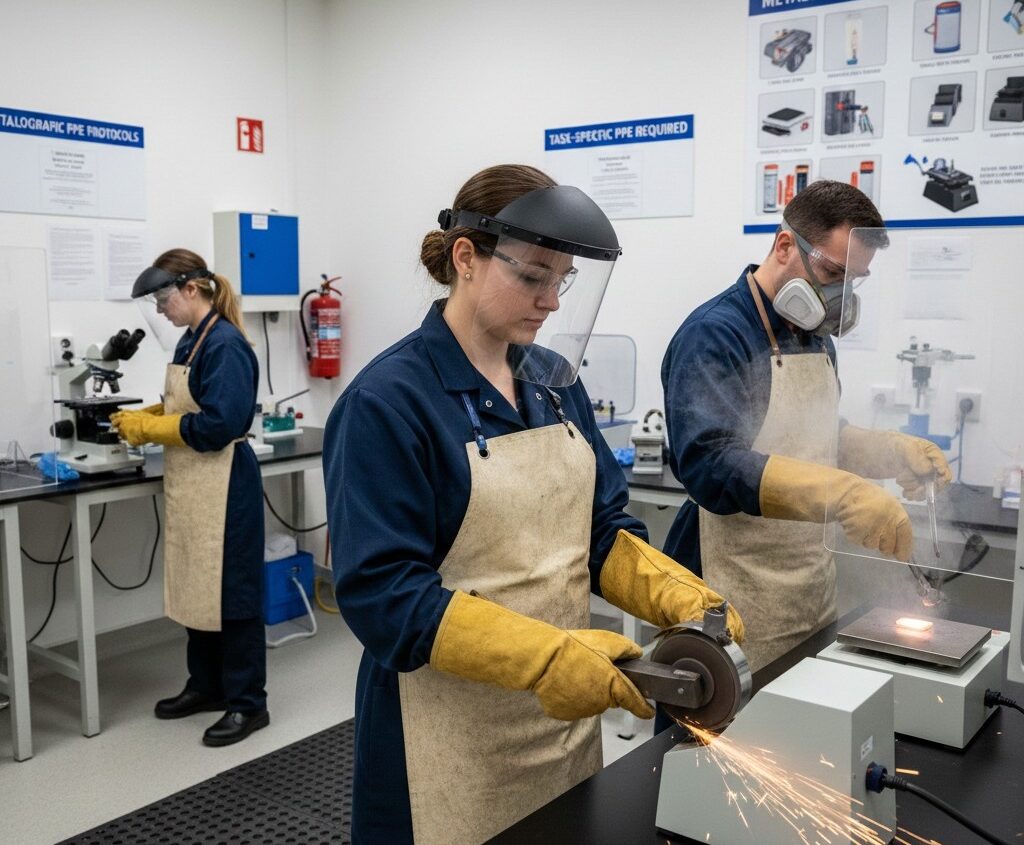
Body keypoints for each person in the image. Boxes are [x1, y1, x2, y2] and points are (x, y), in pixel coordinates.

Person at [323, 164, 745, 845]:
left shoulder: (552, 382)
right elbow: (384, 597)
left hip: (562, 724)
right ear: (466, 256)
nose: (550, 300)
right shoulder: (388, 402)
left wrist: (682, 597)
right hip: (449, 734)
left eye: (563, 279)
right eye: (531, 276)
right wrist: (548, 657)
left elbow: (600, 528)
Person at [660, 180, 952, 673]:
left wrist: (889, 450)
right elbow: (709, 465)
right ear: (784, 245)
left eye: (853, 281)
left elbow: (814, 437)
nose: (839, 295)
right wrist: (843, 493)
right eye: (833, 272)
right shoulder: (715, 333)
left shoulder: (815, 337)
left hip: (807, 586)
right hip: (729, 587)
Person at [110, 249, 268, 747]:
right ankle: (207, 686)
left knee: (234, 596)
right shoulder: (191, 342)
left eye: (163, 297)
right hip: (194, 482)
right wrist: (151, 414)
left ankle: (248, 704)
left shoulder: (225, 344)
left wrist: (154, 428)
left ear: (192, 289)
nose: (159, 309)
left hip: (225, 482)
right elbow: (191, 401)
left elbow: (221, 424)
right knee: (198, 587)